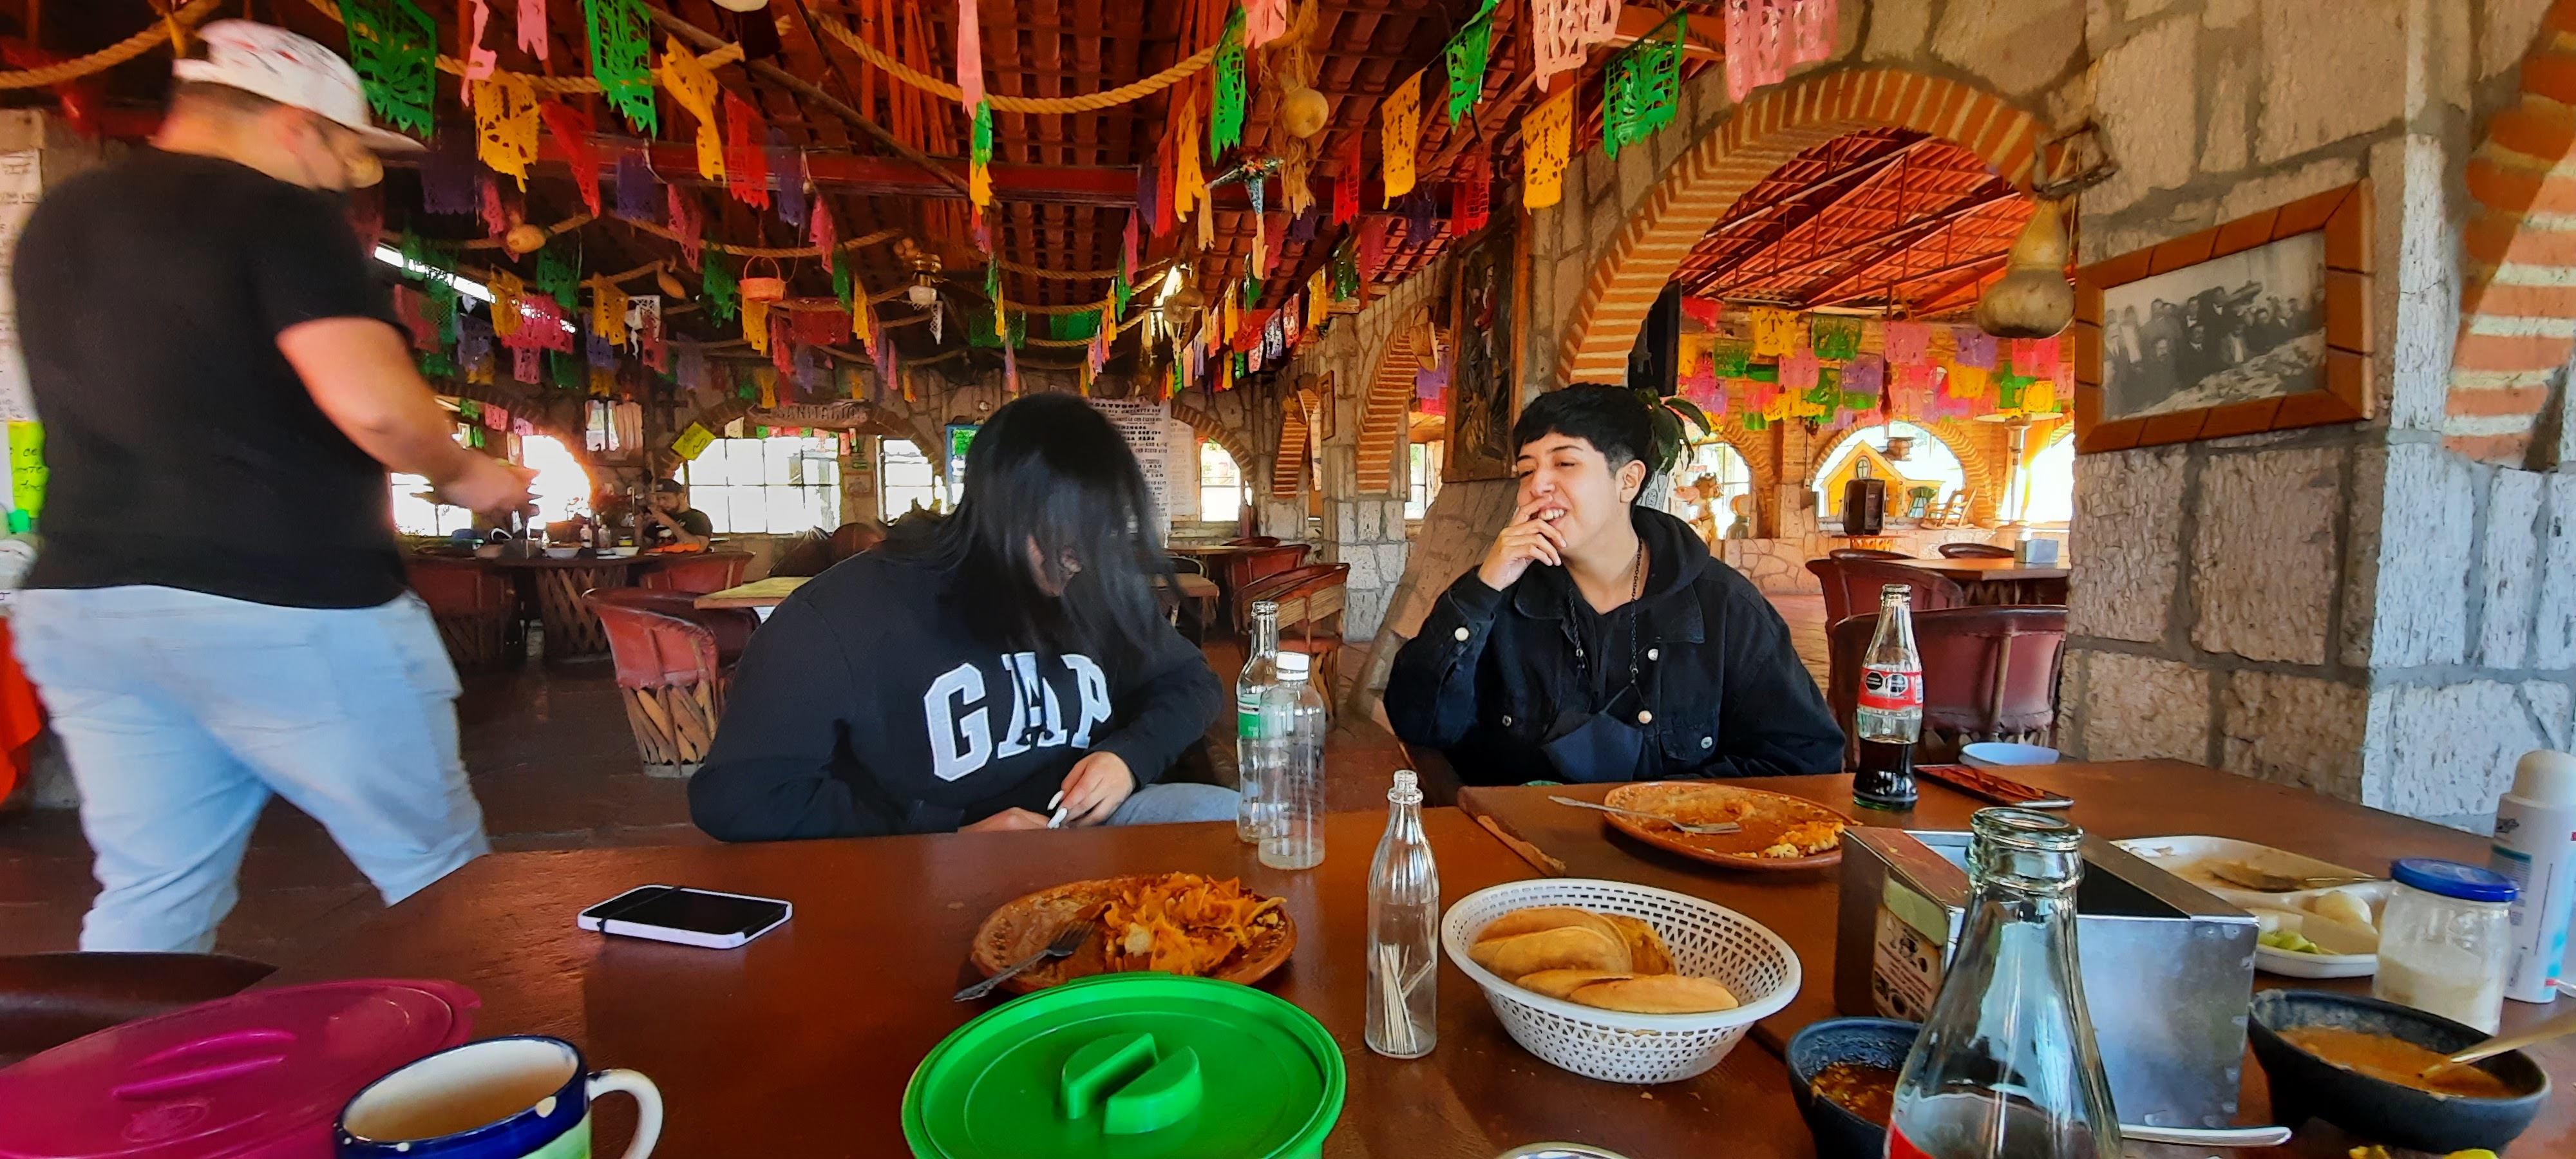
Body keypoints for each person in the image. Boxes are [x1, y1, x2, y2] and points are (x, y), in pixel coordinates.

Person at [8, 22, 533, 952]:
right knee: (440, 872)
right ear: (296, 125)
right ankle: (498, 1081)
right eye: (345, 152)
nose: (348, 180)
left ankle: (118, 1087)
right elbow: (374, 409)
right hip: (289, 605)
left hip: (88, 604)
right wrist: (468, 473)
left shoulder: (62, 222)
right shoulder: (279, 213)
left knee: (152, 891)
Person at [689, 394, 1236, 839]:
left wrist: (1127, 759)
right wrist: (947, 833)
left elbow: (1190, 683)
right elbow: (738, 796)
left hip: (1091, 830)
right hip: (922, 869)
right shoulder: (843, 616)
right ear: (1001, 513)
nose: (1082, 560)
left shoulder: (1087, 582)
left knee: (1253, 825)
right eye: (1065, 537)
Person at [1385, 384, 1842, 786]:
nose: (1537, 485)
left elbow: (1806, 758)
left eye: (1565, 463)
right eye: (1526, 470)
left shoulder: (1723, 607)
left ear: (1629, 480)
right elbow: (1419, 722)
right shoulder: (1497, 596)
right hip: (1518, 861)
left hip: (1672, 864)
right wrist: (1482, 591)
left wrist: (1662, 807)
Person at [641, 478, 713, 549]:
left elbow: (700, 548)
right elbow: (643, 548)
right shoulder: (659, 518)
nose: (661, 503)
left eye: (665, 498)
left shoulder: (697, 518)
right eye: (658, 499)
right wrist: (640, 528)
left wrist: (670, 523)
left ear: (680, 496)